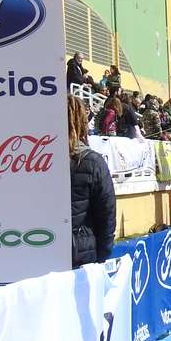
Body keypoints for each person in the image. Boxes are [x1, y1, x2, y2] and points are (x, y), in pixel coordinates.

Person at [68, 96, 115, 267]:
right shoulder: (94, 162)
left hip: (47, 250)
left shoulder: (37, 162)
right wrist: (102, 258)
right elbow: (107, 216)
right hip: (82, 258)